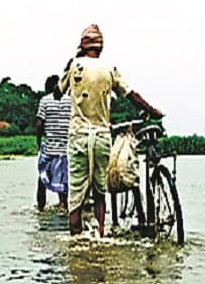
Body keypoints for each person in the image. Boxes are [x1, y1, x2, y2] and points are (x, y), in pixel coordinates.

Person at [56, 24, 163, 236]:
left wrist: (68, 70)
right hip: (102, 137)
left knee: (75, 197)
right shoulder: (109, 68)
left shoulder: (74, 65)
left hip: (79, 137)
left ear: (82, 45)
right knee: (100, 192)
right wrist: (152, 110)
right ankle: (101, 235)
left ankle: (75, 239)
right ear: (100, 46)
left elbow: (57, 93)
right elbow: (131, 94)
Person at [33, 75, 71, 210]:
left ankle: (40, 209)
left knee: (42, 179)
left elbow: (39, 124)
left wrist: (39, 143)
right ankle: (64, 206)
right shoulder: (70, 101)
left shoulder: (45, 101)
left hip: (50, 149)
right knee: (64, 182)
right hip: (67, 150)